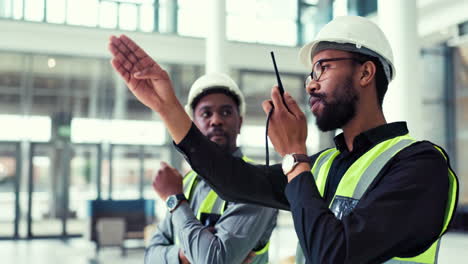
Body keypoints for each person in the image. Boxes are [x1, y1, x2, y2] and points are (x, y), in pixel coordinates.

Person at [108, 15, 458, 264]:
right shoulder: (323, 166)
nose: (310, 84)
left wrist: (293, 154)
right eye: (310, 73)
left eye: (323, 67)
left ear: (366, 72)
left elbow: (334, 254)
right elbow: (234, 183)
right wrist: (167, 107)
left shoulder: (420, 166)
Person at [143, 72, 278, 264]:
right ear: (193, 125)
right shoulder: (186, 182)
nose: (216, 120)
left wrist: (176, 201)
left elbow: (213, 260)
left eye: (226, 112)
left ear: (240, 123)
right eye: (206, 113)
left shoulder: (257, 182)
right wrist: (184, 255)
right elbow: (150, 256)